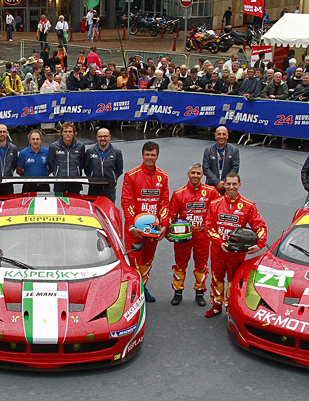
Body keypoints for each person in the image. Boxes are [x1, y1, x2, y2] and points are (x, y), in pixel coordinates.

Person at [204, 172, 266, 318]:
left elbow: (261, 227)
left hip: (237, 253)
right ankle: (216, 305)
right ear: (224, 185)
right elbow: (208, 227)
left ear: (239, 185)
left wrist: (260, 244)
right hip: (219, 250)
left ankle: (230, 307)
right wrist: (219, 242)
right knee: (216, 278)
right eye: (228, 184)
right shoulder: (214, 204)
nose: (231, 187)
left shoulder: (248, 206)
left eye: (234, 184)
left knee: (234, 280)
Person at [121, 141, 171, 303]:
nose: (150, 158)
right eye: (147, 155)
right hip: (134, 229)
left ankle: (143, 287)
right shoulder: (132, 175)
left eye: (153, 155)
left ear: (157, 156)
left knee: (148, 259)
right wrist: (130, 225)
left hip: (153, 228)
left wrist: (165, 225)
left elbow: (164, 203)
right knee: (134, 259)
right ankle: (133, 292)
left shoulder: (163, 177)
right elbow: (126, 202)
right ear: (143, 155)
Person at [169, 163, 217, 306]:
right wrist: (171, 231)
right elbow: (171, 215)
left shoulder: (211, 192)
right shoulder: (179, 193)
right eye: (193, 173)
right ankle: (177, 292)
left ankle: (200, 292)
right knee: (180, 264)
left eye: (198, 173)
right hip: (183, 237)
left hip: (202, 236)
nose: (195, 176)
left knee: (201, 265)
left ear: (202, 175)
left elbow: (216, 212)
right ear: (188, 174)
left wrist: (210, 229)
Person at [83, 127, 124, 202]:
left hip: (109, 186)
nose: (102, 138)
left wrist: (113, 178)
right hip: (94, 186)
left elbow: (119, 169)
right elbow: (86, 168)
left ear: (109, 137)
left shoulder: (116, 152)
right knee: (93, 208)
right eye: (100, 136)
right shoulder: (90, 151)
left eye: (105, 136)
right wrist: (93, 176)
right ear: (97, 137)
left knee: (109, 209)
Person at [48, 122, 86, 192]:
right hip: (59, 182)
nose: (67, 134)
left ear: (74, 133)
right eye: (65, 131)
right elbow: (51, 162)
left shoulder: (80, 146)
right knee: (59, 202)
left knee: (74, 202)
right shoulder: (54, 146)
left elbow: (82, 162)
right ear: (61, 133)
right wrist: (57, 172)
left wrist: (76, 172)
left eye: (70, 131)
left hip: (75, 182)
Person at [201, 125, 239, 194]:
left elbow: (235, 168)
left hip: (228, 187)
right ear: (215, 135)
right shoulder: (208, 150)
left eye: (224, 134)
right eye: (219, 134)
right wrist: (216, 182)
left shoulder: (234, 150)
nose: (221, 137)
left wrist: (225, 182)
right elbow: (206, 168)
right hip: (211, 186)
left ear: (227, 136)